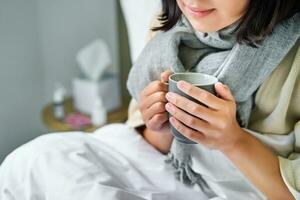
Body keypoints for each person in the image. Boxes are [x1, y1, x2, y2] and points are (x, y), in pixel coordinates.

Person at [0, 0, 300, 199]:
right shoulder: (169, 28)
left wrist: (233, 141)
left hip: (248, 190)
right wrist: (158, 125)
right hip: (167, 169)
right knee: (32, 162)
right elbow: (154, 146)